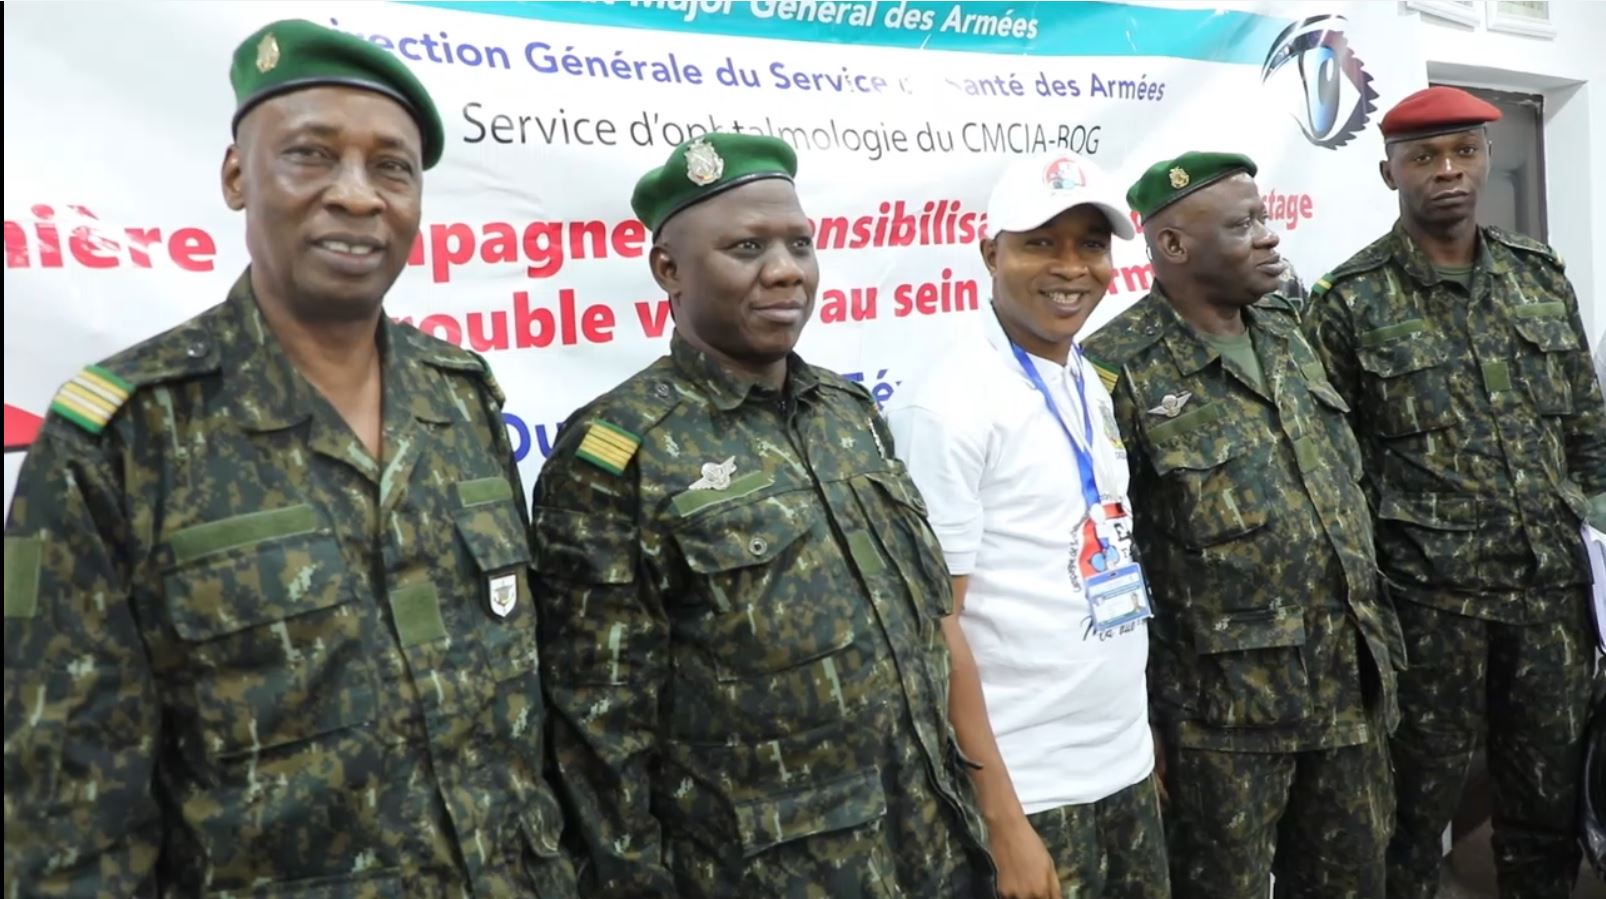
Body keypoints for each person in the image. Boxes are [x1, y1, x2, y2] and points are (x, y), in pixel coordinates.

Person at [1, 20, 575, 896]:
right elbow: (64, 809)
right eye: (311, 156)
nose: (357, 196)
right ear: (238, 176)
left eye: (393, 168)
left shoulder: (461, 398)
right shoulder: (121, 435)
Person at [530, 132, 995, 898]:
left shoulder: (847, 414)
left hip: (932, 853)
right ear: (669, 270)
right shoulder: (617, 455)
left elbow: (921, 633)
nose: (784, 269)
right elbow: (598, 741)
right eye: (746, 246)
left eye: (798, 244)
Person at [1302, 85, 1606, 899]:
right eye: (1424, 158)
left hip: (1550, 602)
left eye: (1464, 152)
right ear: (1388, 171)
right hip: (1427, 611)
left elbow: (1588, 430)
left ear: (1484, 160)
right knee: (1409, 815)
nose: (1448, 172)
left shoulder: (1538, 278)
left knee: (1546, 811)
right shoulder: (1347, 302)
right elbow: (1336, 475)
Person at [1081, 151, 1405, 899]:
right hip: (1221, 722)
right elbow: (1109, 556)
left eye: (1264, 216)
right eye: (1242, 223)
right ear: (1172, 246)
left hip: (1347, 688)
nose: (1268, 235)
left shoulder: (1289, 331)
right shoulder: (1114, 371)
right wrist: (1147, 721)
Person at [885, 151, 1168, 899]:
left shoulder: (1085, 377)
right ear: (991, 253)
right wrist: (1002, 820)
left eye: (1091, 244)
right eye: (1041, 242)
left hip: (1121, 764)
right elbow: (933, 627)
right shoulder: (947, 404)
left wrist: (1137, 743)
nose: (1071, 268)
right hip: (1031, 787)